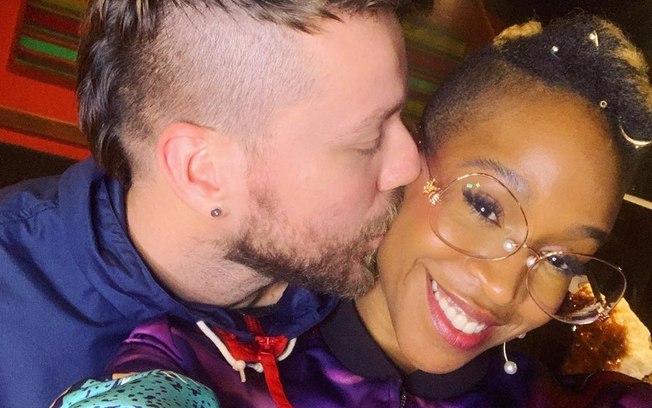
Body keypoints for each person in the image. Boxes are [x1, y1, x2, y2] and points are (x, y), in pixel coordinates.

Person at [52, 13, 652, 408]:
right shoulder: (206, 360)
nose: (501, 289)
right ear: (411, 161)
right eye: (485, 206)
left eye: (563, 259)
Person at [0, 1, 422, 406]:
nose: (410, 166)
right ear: (204, 172)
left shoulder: (389, 254)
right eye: (367, 142)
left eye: (401, 116)